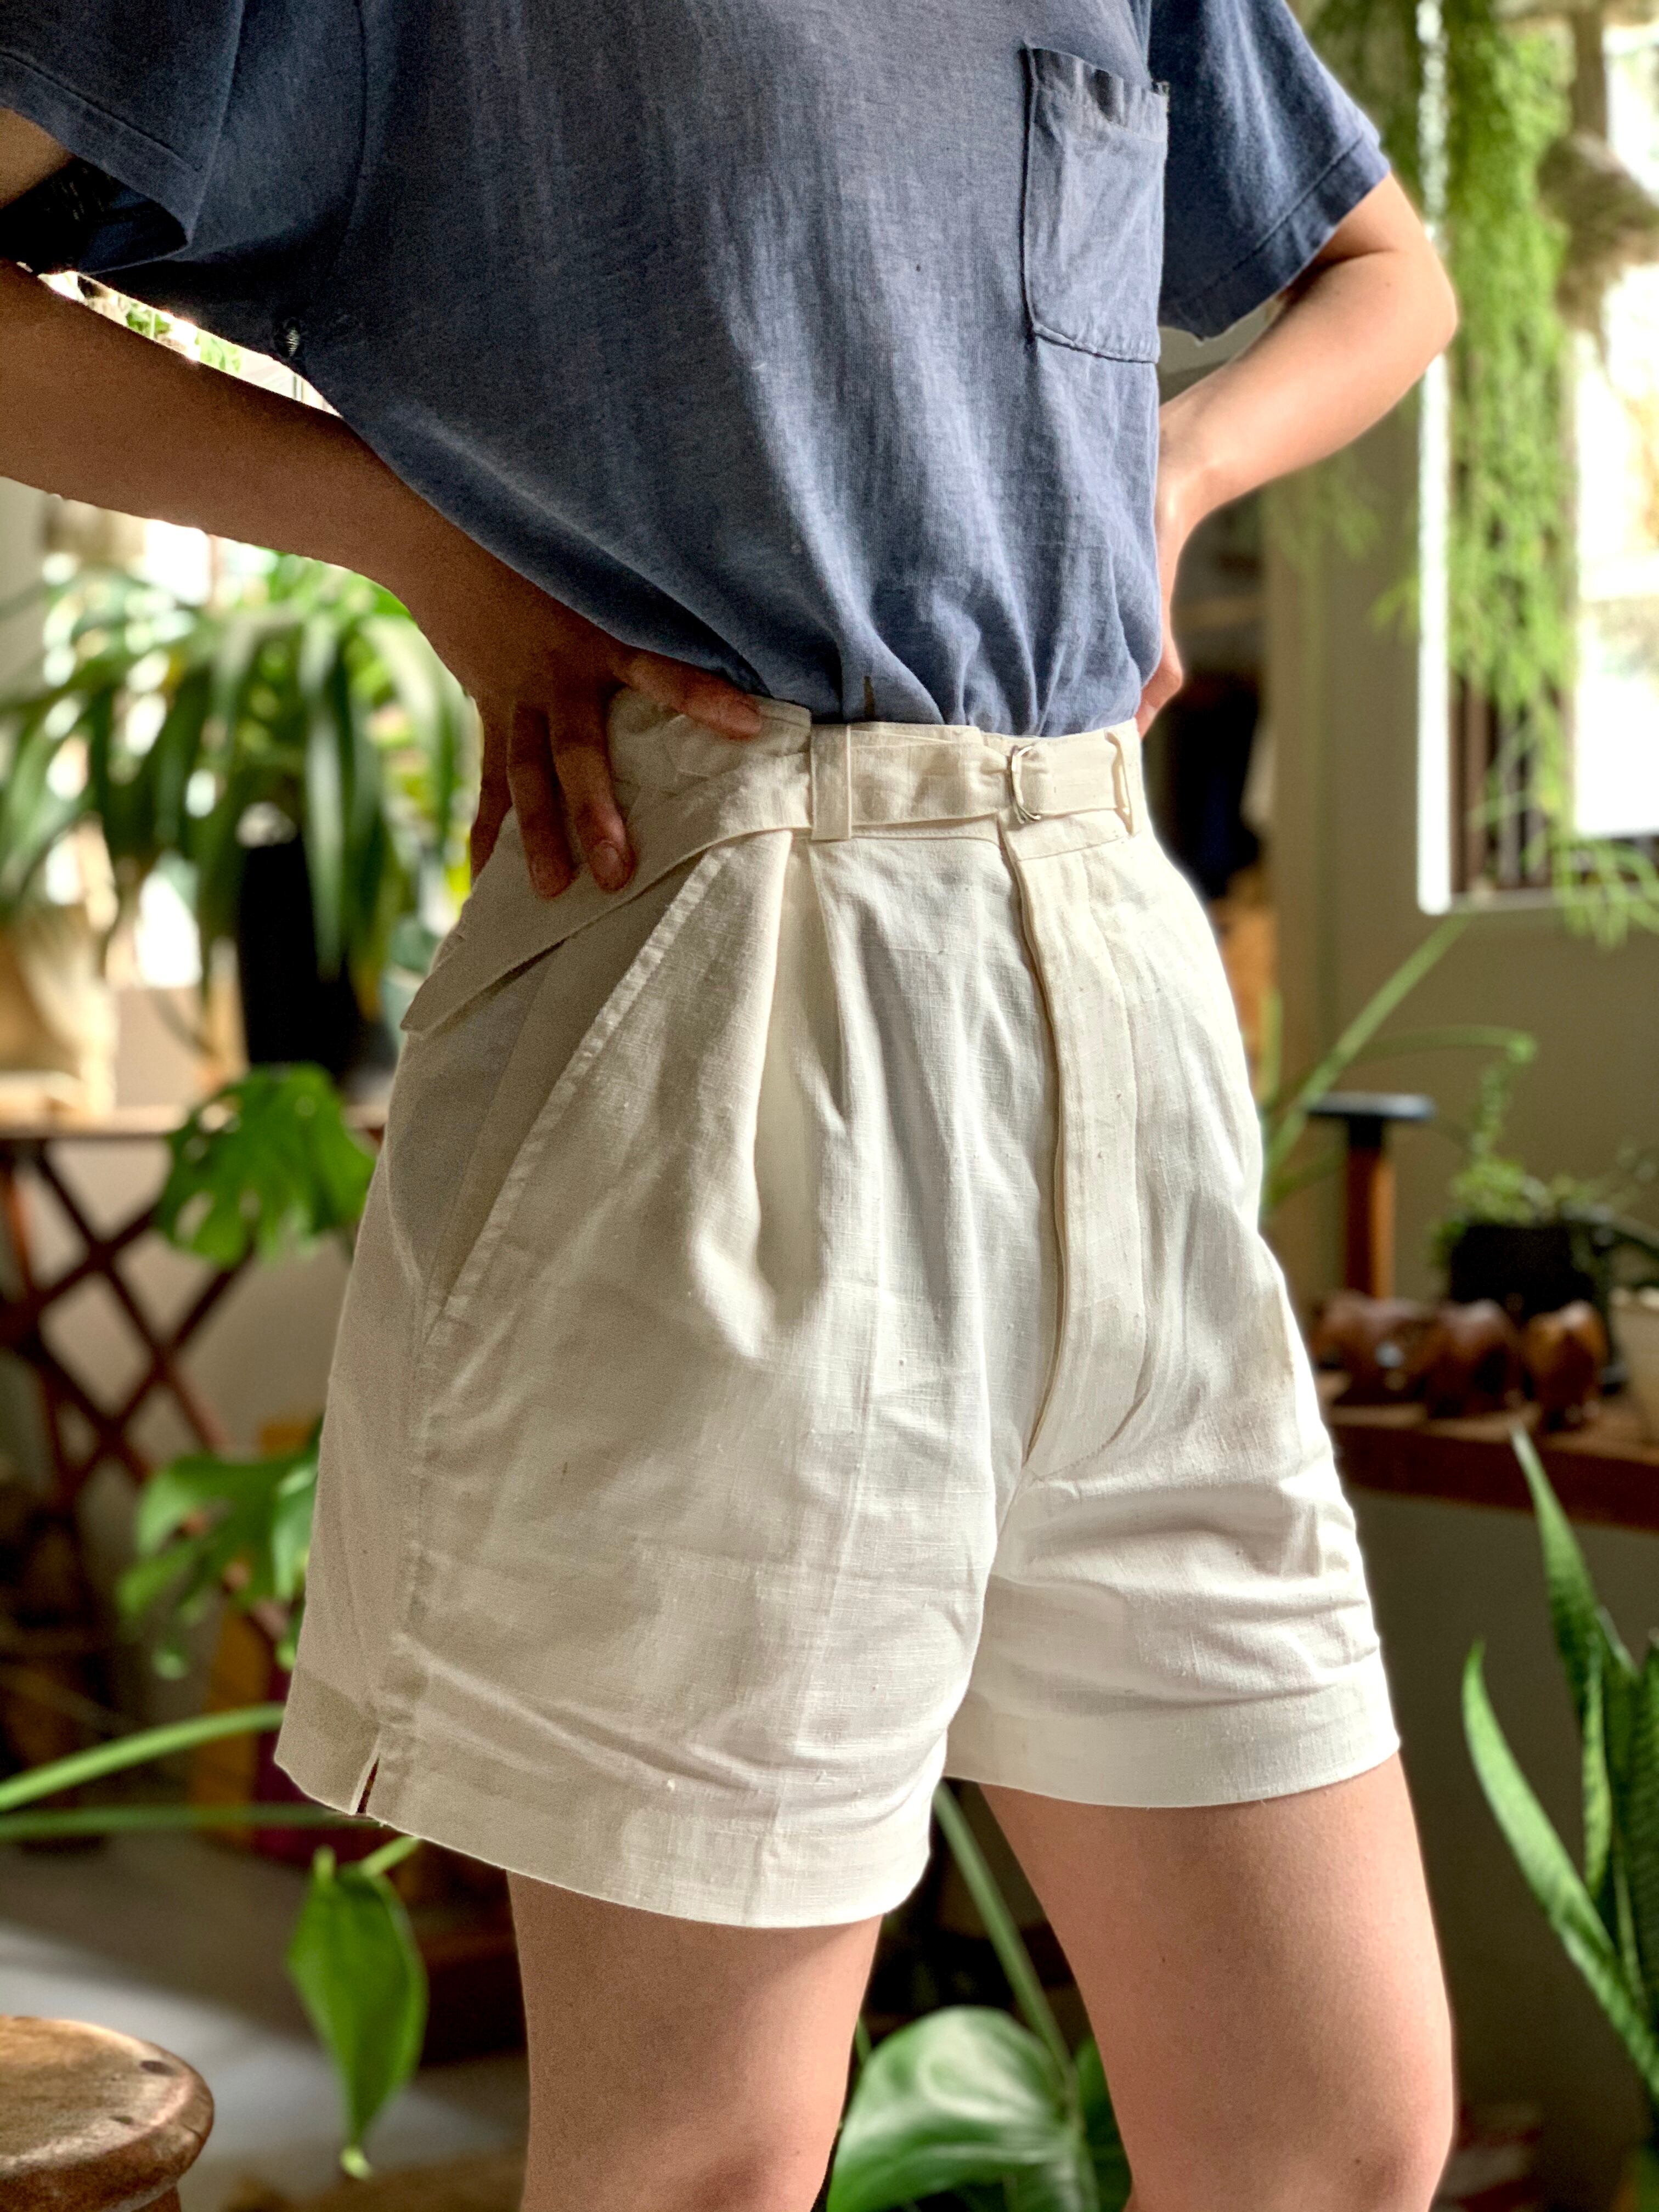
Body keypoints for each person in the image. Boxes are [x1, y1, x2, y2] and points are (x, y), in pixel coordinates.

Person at [0, 4, 1460, 2206]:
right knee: (702, 2162)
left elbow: (1388, 276)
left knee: (1330, 2132)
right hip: (728, 969)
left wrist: (1165, 474)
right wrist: (417, 540)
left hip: (1110, 970)